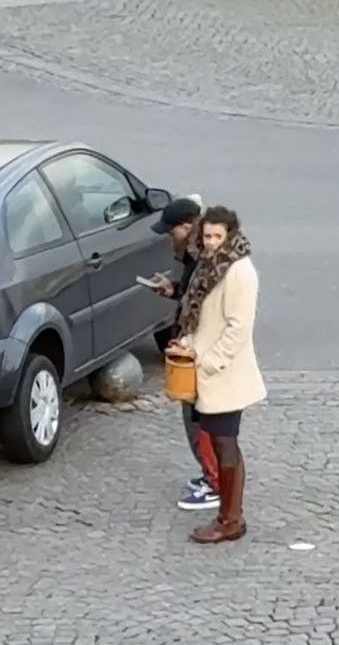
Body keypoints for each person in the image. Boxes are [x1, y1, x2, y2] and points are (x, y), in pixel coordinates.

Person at [173, 206, 265, 544]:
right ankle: (228, 516)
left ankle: (230, 519)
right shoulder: (211, 265)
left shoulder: (239, 271)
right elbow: (203, 317)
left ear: (230, 235)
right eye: (207, 235)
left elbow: (238, 327)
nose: (211, 242)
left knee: (226, 443)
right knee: (218, 439)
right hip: (207, 370)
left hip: (223, 374)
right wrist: (188, 342)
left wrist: (211, 362)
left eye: (217, 236)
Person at [148, 195, 221, 511]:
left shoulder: (206, 260)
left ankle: (216, 483)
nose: (168, 237)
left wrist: (190, 343)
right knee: (197, 417)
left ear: (188, 227)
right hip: (197, 347)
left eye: (171, 230)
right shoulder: (196, 256)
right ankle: (212, 476)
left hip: (202, 353)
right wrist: (173, 289)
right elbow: (194, 296)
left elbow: (211, 309)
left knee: (200, 419)